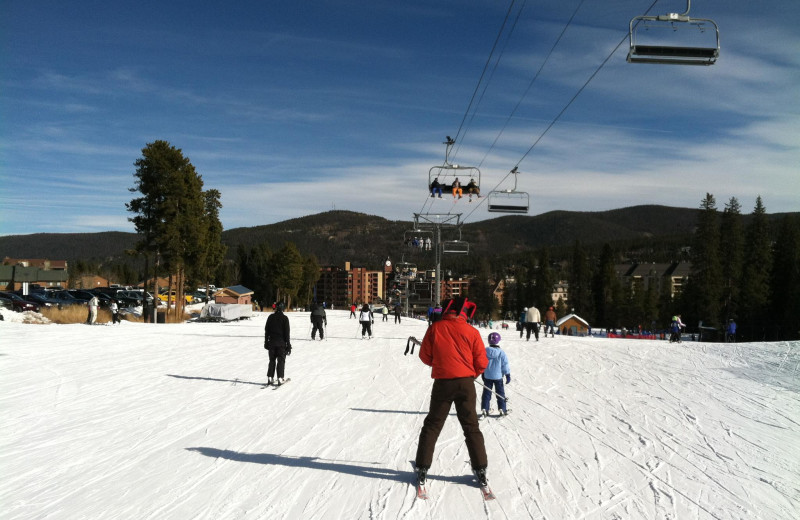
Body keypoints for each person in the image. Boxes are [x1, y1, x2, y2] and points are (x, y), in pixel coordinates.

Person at [414, 297, 490, 489]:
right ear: (464, 312)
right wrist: (471, 374)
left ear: (446, 310)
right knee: (471, 425)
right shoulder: (472, 332)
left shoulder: (435, 328)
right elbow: (482, 362)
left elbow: (424, 355)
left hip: (443, 383)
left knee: (433, 424)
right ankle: (480, 468)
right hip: (466, 383)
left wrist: (440, 364)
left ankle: (422, 466)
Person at [481, 332, 510, 417]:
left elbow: (481, 362)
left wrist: (483, 372)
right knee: (500, 393)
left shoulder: (484, 351)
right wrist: (507, 374)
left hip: (487, 376)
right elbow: (505, 364)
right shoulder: (501, 352)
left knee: (486, 393)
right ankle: (502, 408)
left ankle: (484, 408)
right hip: (498, 377)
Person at [264, 302, 291, 385]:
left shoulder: (270, 317)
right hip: (281, 343)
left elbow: (266, 330)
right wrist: (288, 345)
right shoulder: (285, 318)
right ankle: (280, 378)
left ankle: (270, 377)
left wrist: (266, 342)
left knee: (272, 360)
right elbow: (287, 333)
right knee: (281, 360)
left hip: (271, 342)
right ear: (283, 309)